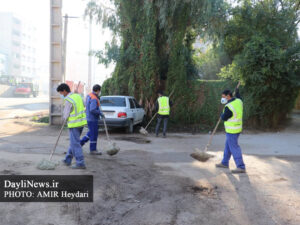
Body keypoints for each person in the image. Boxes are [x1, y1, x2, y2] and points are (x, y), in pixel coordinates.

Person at [57, 83, 87, 169]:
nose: (61, 95)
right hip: (81, 123)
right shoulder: (78, 96)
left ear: (65, 91)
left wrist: (64, 120)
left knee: (75, 144)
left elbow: (66, 115)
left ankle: (80, 163)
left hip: (74, 124)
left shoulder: (68, 100)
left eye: (61, 93)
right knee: (74, 142)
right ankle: (68, 159)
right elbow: (84, 104)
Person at [215, 88, 246, 173]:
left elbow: (224, 117)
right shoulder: (239, 101)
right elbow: (239, 97)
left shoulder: (229, 107)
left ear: (228, 96)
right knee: (228, 146)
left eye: (223, 96)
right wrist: (238, 92)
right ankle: (225, 163)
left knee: (234, 148)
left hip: (232, 130)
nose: (222, 98)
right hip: (237, 128)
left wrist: (221, 115)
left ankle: (241, 167)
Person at [80, 84, 104, 154]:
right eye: (100, 91)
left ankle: (80, 143)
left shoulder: (89, 95)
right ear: (98, 90)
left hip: (89, 118)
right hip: (93, 119)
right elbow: (92, 109)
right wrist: (100, 113)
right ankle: (93, 150)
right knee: (94, 134)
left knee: (90, 133)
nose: (100, 92)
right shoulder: (94, 98)